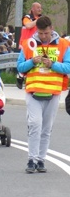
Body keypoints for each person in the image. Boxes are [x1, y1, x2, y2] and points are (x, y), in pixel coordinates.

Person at [17, 16, 70, 173]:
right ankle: (31, 159)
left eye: (46, 33)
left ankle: (41, 159)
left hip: (53, 92)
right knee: (35, 124)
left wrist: (53, 65)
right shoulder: (28, 44)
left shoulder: (63, 44)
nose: (43, 36)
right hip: (33, 91)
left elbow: (68, 67)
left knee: (46, 128)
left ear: (51, 29)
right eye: (40, 33)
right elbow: (20, 67)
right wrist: (32, 62)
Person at [17, 2, 43, 89]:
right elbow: (28, 26)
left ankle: (24, 77)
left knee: (33, 61)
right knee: (24, 61)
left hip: (36, 44)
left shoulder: (41, 18)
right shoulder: (27, 17)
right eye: (38, 8)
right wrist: (38, 21)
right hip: (25, 44)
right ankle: (20, 76)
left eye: (40, 8)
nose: (40, 9)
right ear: (33, 9)